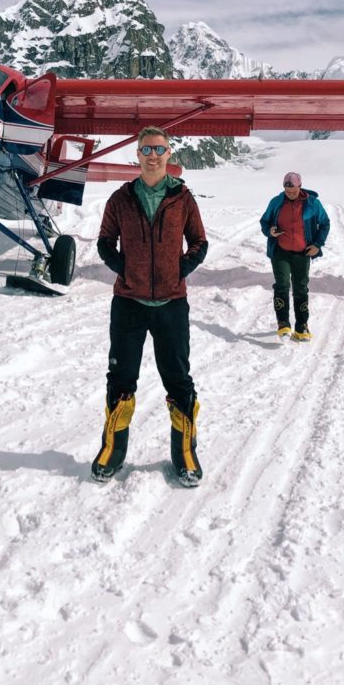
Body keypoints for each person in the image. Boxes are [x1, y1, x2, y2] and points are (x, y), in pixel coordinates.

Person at [93, 127, 209, 487]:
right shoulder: (121, 198)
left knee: (178, 379)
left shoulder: (183, 198)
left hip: (172, 304)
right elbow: (104, 242)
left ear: (169, 154)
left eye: (159, 149)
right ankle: (112, 450)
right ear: (138, 155)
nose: (153, 155)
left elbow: (200, 242)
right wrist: (124, 269)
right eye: (146, 149)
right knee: (121, 378)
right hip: (128, 302)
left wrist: (180, 270)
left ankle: (185, 454)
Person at [259, 171, 330, 342]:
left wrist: (317, 245)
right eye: (287, 190)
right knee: (282, 285)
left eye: (293, 190)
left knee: (300, 288)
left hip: (302, 253)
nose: (290, 193)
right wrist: (270, 231)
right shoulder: (277, 202)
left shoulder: (313, 204)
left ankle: (302, 326)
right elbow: (264, 221)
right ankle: (283, 323)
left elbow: (325, 223)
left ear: (300, 186)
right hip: (280, 252)